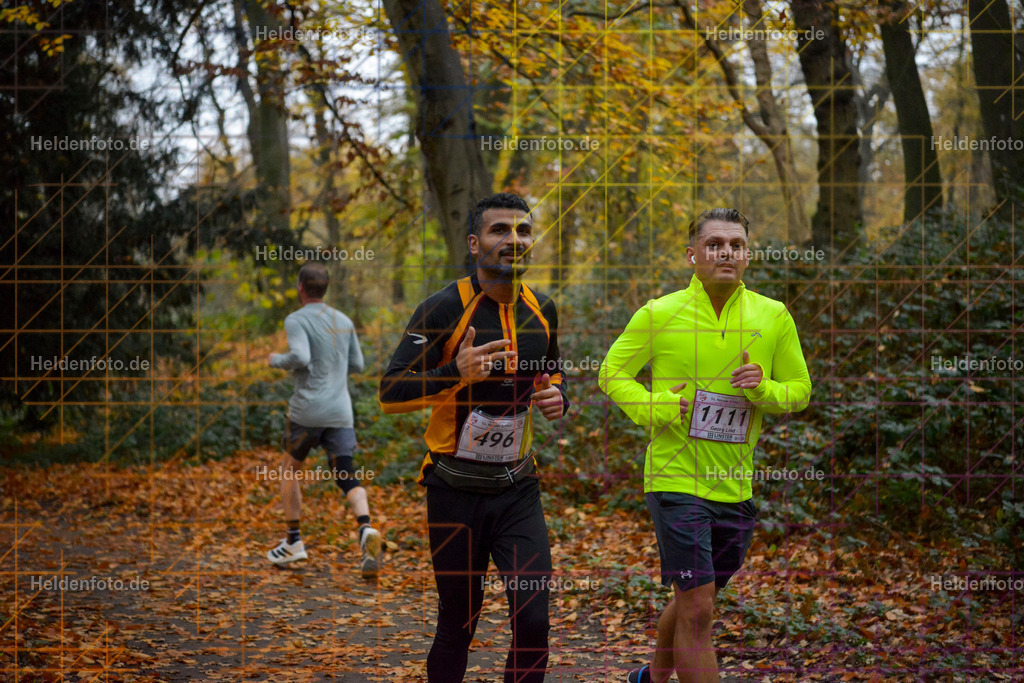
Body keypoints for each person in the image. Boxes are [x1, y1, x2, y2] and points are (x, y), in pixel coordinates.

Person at [598, 209, 812, 683]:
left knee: (694, 599)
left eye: (737, 244)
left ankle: (650, 679)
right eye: (714, 244)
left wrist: (763, 389)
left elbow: (800, 390)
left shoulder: (773, 315)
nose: (726, 252)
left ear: (748, 255)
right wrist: (655, 406)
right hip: (675, 478)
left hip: (735, 485)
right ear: (691, 254)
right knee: (698, 608)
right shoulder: (659, 313)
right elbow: (611, 373)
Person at [379, 192, 568, 683]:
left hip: (517, 490)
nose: (514, 240)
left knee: (534, 622)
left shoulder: (543, 309)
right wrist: (453, 373)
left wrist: (556, 396)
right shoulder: (444, 307)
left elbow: (552, 373)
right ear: (473, 243)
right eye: (499, 230)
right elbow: (390, 392)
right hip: (455, 492)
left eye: (523, 231)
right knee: (458, 624)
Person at [266, 262, 382, 578]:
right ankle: (366, 529)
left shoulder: (295, 319)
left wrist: (276, 360)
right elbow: (357, 364)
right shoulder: (343, 320)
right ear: (325, 288)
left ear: (301, 288)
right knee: (346, 474)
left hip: (307, 411)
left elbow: (300, 357)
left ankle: (293, 542)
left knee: (289, 470)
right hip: (340, 412)